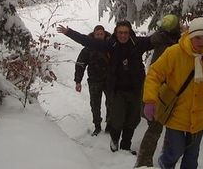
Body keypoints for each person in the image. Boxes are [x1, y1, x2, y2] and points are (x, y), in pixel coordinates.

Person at [57, 20, 157, 155]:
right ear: (116, 33)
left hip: (135, 89)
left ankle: (125, 147)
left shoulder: (137, 43)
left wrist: (180, 32)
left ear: (130, 33)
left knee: (133, 119)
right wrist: (69, 32)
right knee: (116, 119)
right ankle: (114, 139)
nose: (123, 36)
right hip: (116, 89)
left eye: (126, 33)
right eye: (120, 33)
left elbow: (156, 39)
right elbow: (88, 41)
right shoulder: (111, 45)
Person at [142, 17, 203, 169]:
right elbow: (154, 74)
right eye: (198, 37)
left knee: (192, 156)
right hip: (176, 114)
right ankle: (165, 164)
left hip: (199, 115)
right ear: (190, 35)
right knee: (175, 150)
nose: (201, 42)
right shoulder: (174, 52)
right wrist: (150, 100)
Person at [136, 14, 182, 168]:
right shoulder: (161, 39)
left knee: (165, 128)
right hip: (160, 89)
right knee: (155, 127)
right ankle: (144, 162)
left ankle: (154, 160)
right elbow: (145, 43)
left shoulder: (177, 41)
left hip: (173, 90)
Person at [74, 25, 111, 136]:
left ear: (104, 34)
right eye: (97, 34)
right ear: (93, 35)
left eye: (101, 34)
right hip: (94, 81)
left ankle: (109, 125)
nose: (99, 36)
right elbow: (80, 64)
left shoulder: (110, 46)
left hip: (109, 80)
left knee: (111, 103)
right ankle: (97, 126)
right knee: (95, 105)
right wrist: (78, 81)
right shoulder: (88, 48)